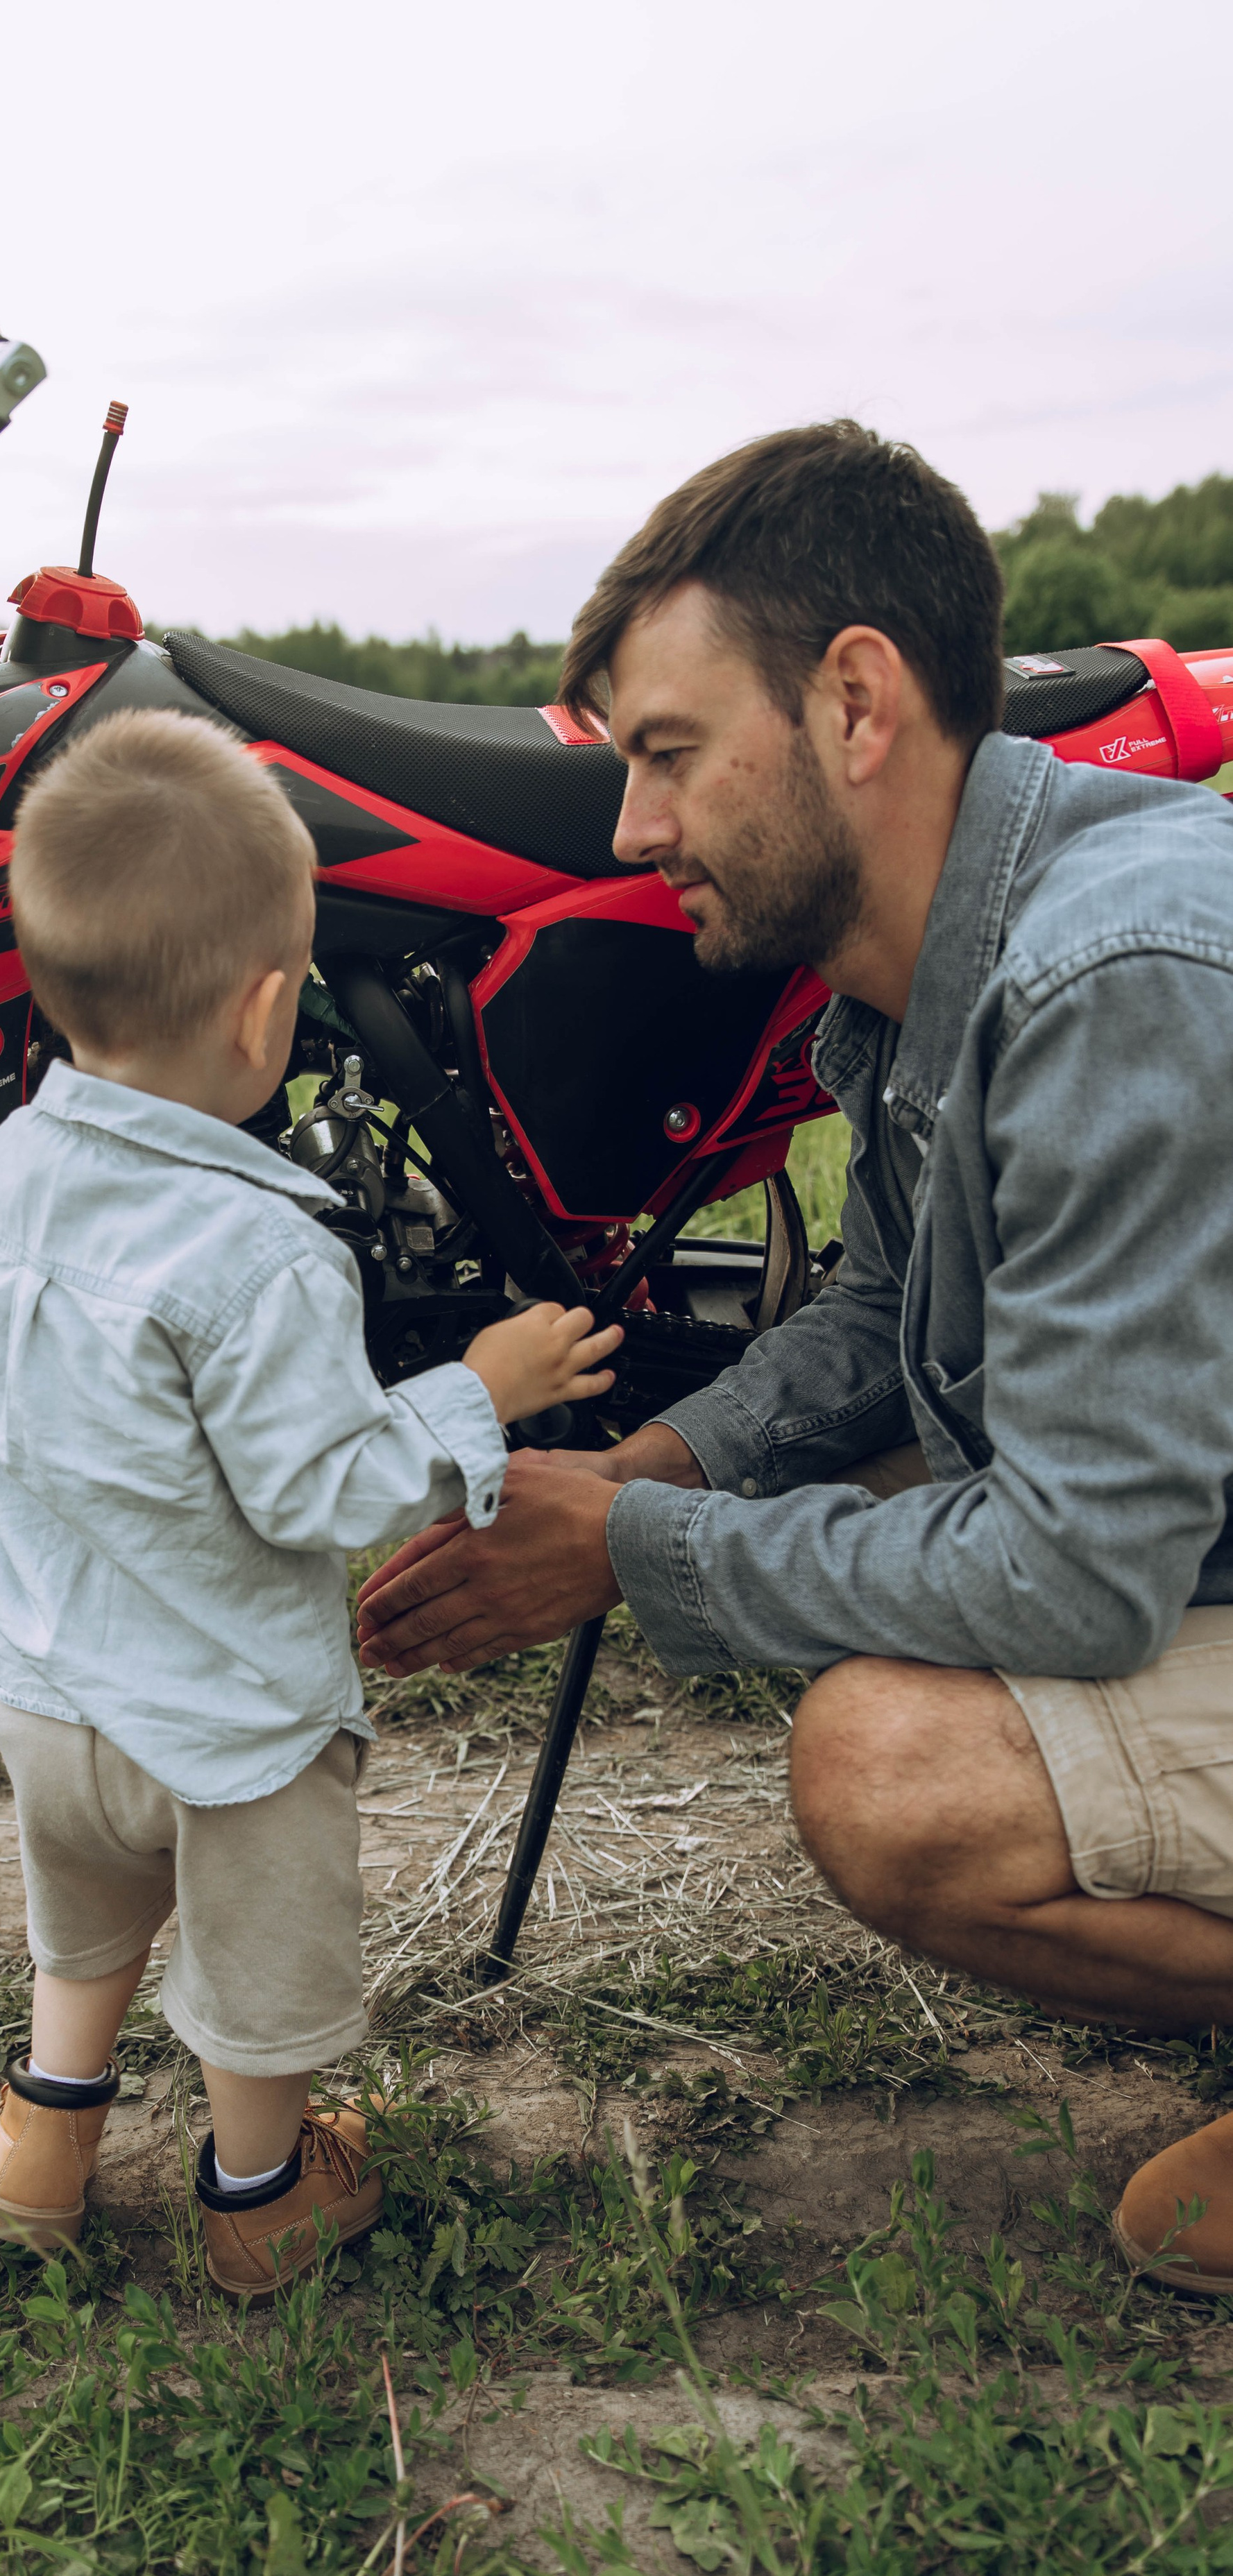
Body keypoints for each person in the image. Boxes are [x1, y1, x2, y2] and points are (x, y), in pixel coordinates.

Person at [357, 420, 1233, 2294]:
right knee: (880, 1524)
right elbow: (875, 1321)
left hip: (1148, 1549)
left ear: (855, 703)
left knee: (895, 1773)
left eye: (668, 755)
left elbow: (1076, 1569)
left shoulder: (1115, 979)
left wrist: (622, 1553)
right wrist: (648, 1475)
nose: (631, 828)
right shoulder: (942, 962)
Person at [0, 707, 620, 2298]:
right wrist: (482, 1388)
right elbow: (323, 1485)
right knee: (257, 1976)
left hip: (50, 1693)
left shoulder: (9, 1178)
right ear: (265, 1015)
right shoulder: (259, 1252)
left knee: (83, 1934)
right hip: (229, 1732)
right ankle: (260, 2196)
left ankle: (43, 2147)